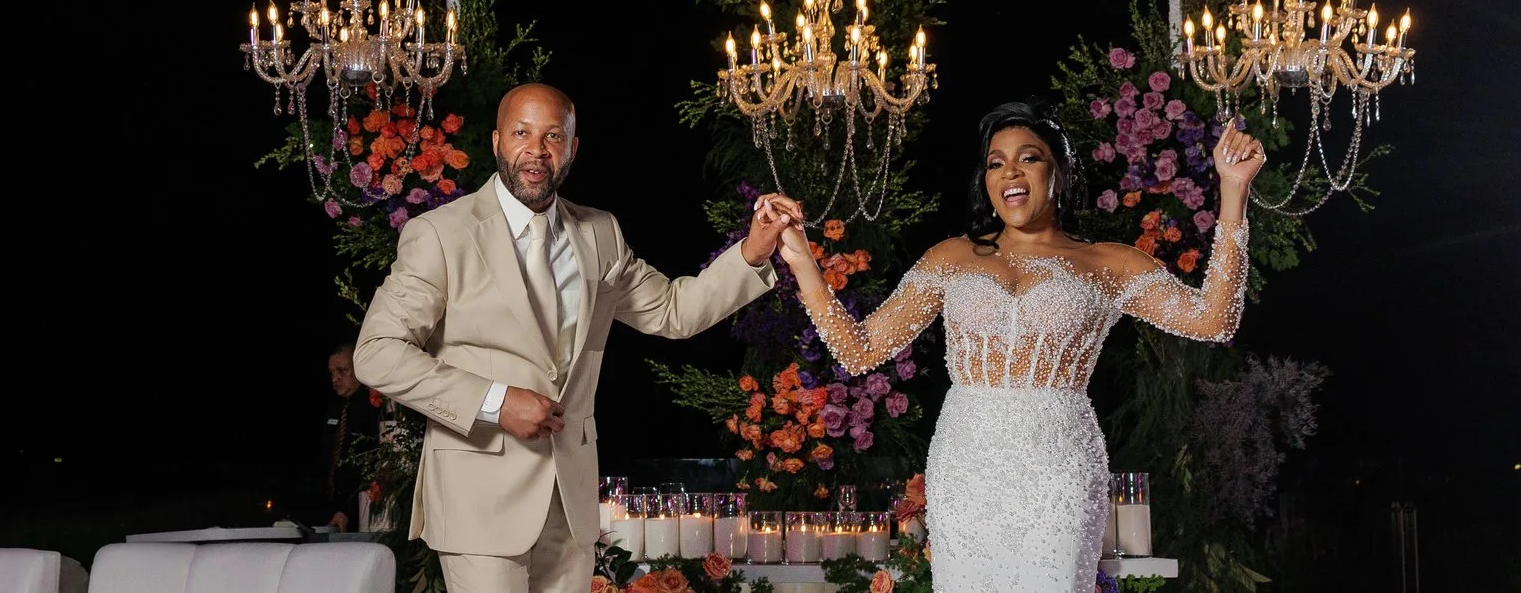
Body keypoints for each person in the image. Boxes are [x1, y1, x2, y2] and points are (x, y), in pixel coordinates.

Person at [777, 100, 1265, 593]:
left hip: (1059, 468)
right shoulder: (953, 256)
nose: (1009, 170)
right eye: (995, 162)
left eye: (1028, 157)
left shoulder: (1107, 263)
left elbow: (1214, 320)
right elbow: (859, 351)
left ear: (1060, 172)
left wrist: (1233, 189)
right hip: (965, 466)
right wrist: (800, 259)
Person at [354, 82, 801, 593]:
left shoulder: (600, 233)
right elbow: (376, 354)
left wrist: (755, 248)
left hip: (570, 500)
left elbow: (675, 311)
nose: (536, 150)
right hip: (478, 499)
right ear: (497, 141)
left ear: (572, 147)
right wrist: (495, 402)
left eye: (552, 136)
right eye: (522, 133)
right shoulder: (440, 234)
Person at [316, 342, 381, 531]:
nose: (335, 379)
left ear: (359, 368)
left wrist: (348, 509)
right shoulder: (334, 409)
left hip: (363, 509)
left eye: (342, 371)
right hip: (331, 510)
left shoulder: (375, 408)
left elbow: (368, 466)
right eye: (331, 373)